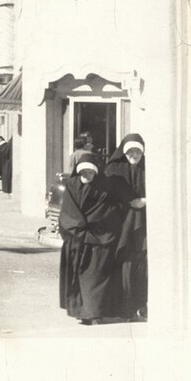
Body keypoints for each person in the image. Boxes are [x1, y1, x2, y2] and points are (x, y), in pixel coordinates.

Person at [58, 151, 123, 325]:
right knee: (77, 279)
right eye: (83, 172)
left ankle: (95, 314)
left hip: (98, 240)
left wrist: (92, 228)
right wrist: (78, 229)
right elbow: (67, 212)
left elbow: (108, 213)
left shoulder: (103, 189)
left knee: (95, 279)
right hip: (77, 239)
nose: (86, 175)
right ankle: (81, 312)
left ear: (96, 172)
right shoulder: (71, 186)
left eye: (90, 172)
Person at [104, 133, 147, 321]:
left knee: (143, 265)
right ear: (124, 152)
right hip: (122, 224)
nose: (134, 155)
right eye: (130, 151)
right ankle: (124, 307)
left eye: (138, 151)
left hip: (145, 223)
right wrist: (128, 202)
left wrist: (145, 201)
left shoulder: (150, 168)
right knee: (124, 265)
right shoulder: (113, 170)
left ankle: (141, 306)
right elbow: (106, 198)